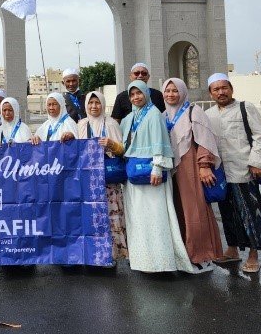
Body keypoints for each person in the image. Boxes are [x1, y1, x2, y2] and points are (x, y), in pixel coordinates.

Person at [120, 80, 193, 273]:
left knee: (156, 216)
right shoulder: (129, 118)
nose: (136, 97)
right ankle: (143, 261)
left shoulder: (153, 115)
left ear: (146, 93)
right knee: (138, 218)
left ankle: (161, 262)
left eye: (139, 93)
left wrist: (157, 168)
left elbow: (159, 141)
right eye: (132, 94)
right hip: (133, 175)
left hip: (152, 173)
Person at [205, 73, 261, 273]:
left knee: (250, 213)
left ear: (231, 89)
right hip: (222, 173)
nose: (221, 92)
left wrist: (256, 162)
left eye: (224, 88)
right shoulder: (208, 114)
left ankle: (253, 254)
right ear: (211, 93)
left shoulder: (245, 108)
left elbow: (260, 137)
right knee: (227, 213)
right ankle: (232, 249)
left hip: (245, 170)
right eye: (216, 89)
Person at [162, 78, 223, 271]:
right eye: (167, 91)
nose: (171, 94)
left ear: (182, 92)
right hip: (171, 168)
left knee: (195, 211)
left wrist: (204, 165)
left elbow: (205, 140)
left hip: (191, 167)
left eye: (175, 91)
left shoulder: (193, 112)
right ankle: (184, 254)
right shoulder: (164, 115)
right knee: (176, 210)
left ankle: (202, 255)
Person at [77, 91, 127, 260]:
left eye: (97, 103)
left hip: (108, 181)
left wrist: (111, 145)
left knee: (110, 216)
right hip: (89, 180)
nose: (94, 106)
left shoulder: (111, 124)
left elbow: (123, 152)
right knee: (92, 217)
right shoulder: (81, 125)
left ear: (103, 105)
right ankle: (93, 255)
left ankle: (112, 255)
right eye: (90, 103)